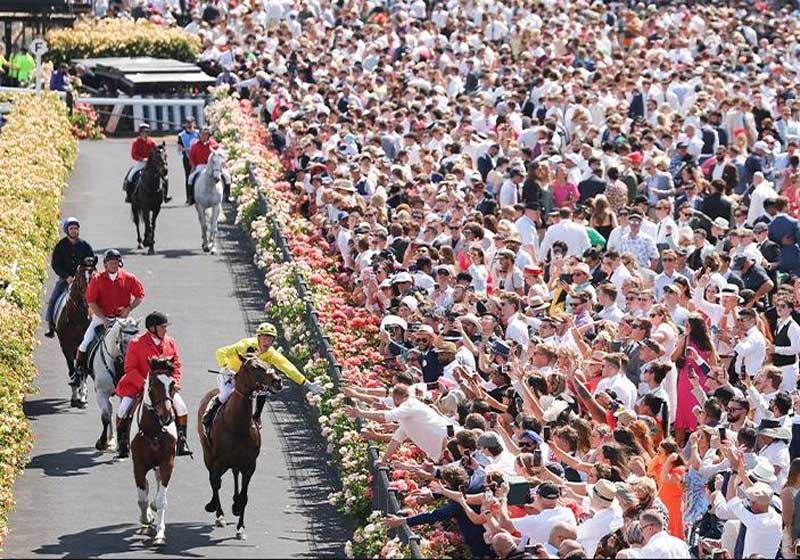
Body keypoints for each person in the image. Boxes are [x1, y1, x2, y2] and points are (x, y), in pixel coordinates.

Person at [204, 322, 323, 430]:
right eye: (264, 339)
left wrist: (307, 383)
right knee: (226, 394)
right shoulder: (244, 345)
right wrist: (226, 367)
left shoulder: (271, 353)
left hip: (249, 380)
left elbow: (288, 367)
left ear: (273, 341)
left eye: (269, 340)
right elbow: (221, 352)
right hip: (230, 374)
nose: (266, 343)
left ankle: (257, 416)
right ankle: (210, 412)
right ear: (258, 338)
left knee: (266, 386)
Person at [114, 311, 192, 459]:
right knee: (123, 409)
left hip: (163, 388)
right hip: (138, 385)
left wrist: (174, 381)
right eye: (163, 327)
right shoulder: (136, 343)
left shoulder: (170, 342)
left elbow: (176, 365)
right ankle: (122, 443)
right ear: (152, 328)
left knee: (182, 407)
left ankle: (182, 442)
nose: (166, 330)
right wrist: (143, 383)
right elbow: (130, 368)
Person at [76, 249, 144, 371]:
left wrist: (129, 308)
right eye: (110, 262)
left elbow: (140, 295)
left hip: (122, 318)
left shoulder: (129, 278)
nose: (113, 264)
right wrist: (102, 318)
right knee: (85, 342)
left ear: (120, 263)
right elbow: (91, 301)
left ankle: (139, 369)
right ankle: (79, 373)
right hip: (102, 317)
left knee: (135, 341)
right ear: (105, 264)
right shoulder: (97, 279)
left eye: (116, 262)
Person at [45, 217, 94, 338]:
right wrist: (66, 276)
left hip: (82, 279)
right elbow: (55, 264)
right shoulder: (60, 246)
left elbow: (91, 262)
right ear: (66, 230)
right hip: (66, 279)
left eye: (75, 229)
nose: (73, 231)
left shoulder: (85, 246)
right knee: (53, 299)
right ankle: (51, 325)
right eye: (71, 229)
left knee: (94, 298)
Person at [187, 127, 228, 205]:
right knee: (190, 178)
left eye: (205, 135)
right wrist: (193, 166)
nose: (203, 136)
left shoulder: (213, 144)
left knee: (227, 176)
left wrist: (223, 162)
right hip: (201, 165)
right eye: (202, 134)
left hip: (213, 165)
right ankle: (191, 197)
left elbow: (220, 153)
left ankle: (227, 196)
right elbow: (191, 157)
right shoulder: (195, 145)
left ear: (208, 135)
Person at [125, 124, 165, 202]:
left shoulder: (152, 142)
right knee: (130, 177)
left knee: (164, 177)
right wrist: (142, 159)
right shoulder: (136, 142)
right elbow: (134, 154)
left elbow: (157, 152)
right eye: (143, 132)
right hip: (141, 163)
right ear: (140, 133)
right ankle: (129, 196)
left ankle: (164, 195)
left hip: (151, 163)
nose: (145, 134)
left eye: (146, 132)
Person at [176, 117, 200, 204]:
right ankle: (189, 197)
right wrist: (190, 149)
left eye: (191, 123)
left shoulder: (198, 133)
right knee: (189, 177)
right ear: (185, 124)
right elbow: (179, 149)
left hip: (198, 159)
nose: (189, 125)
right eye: (188, 123)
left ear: (194, 124)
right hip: (187, 159)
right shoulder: (181, 135)